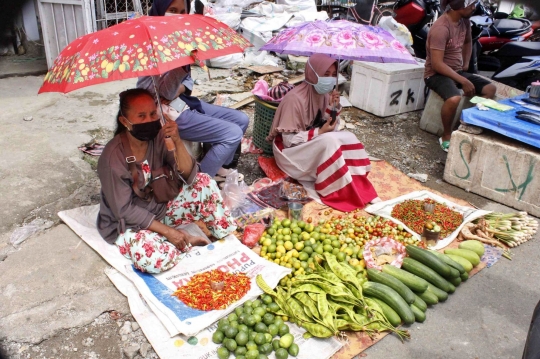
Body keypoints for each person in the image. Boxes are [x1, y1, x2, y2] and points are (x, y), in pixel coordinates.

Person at [97, 88, 236, 274]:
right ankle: (180, 242)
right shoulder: (112, 157)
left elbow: (190, 175)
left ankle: (227, 240)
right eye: (141, 116)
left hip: (160, 207)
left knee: (204, 182)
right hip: (127, 224)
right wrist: (170, 232)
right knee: (153, 258)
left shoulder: (158, 137)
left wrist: (177, 142)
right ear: (125, 121)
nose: (149, 120)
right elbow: (124, 210)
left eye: (153, 113)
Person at [137, 0, 249, 183]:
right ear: (159, 11)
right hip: (162, 112)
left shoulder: (179, 38)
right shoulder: (151, 44)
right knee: (232, 133)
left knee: (241, 119)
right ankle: (197, 185)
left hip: (180, 103)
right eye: (172, 10)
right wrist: (181, 69)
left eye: (182, 10)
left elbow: (185, 85)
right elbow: (159, 91)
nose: (178, 15)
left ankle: (220, 169)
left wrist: (181, 80)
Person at [266, 53, 380, 212]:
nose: (330, 79)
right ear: (313, 73)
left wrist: (333, 109)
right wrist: (319, 132)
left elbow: (330, 126)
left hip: (310, 146)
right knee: (330, 142)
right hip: (289, 155)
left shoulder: (325, 95)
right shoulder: (295, 100)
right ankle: (334, 190)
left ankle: (355, 183)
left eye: (333, 75)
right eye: (325, 74)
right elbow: (288, 141)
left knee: (349, 136)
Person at [424, 0, 497, 152]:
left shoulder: (464, 21)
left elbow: (468, 42)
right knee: (454, 98)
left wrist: (465, 64)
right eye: (470, 4)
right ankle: (446, 135)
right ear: (458, 5)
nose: (473, 7)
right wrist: (462, 80)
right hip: (436, 74)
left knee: (490, 89)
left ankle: (464, 126)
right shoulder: (441, 28)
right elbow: (437, 64)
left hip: (456, 71)